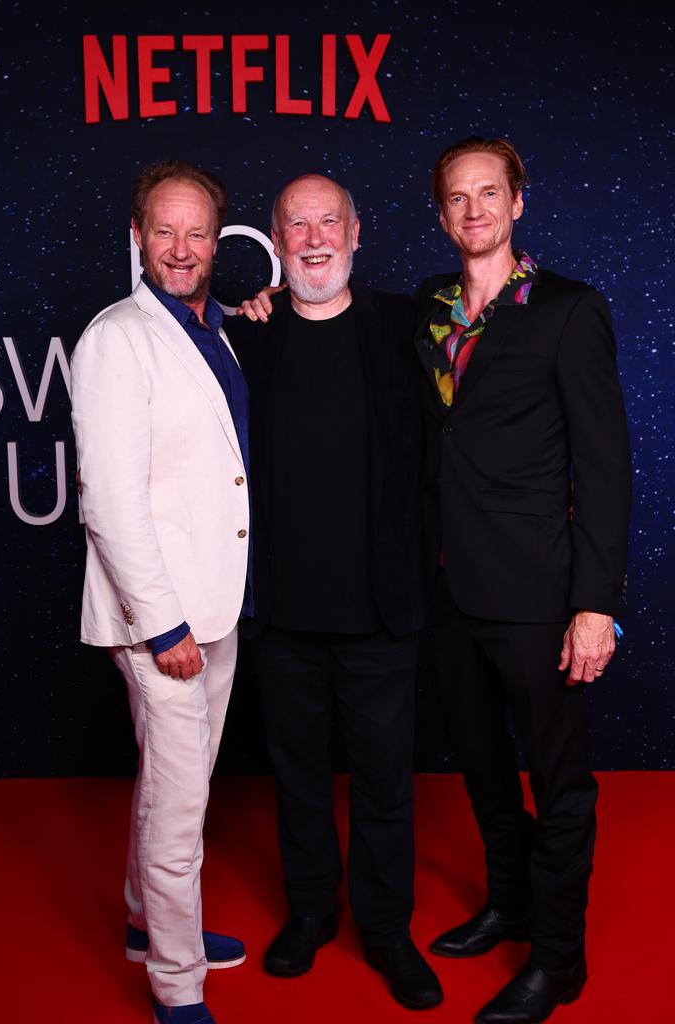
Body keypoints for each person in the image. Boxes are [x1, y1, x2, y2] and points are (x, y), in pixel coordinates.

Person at [414, 137, 631, 1024]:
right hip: (449, 590)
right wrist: (271, 302)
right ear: (441, 215)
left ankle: (559, 957)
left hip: (542, 596)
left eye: (488, 194)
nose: (474, 211)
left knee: (559, 780)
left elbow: (606, 468)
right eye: (457, 199)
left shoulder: (571, 311)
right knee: (481, 762)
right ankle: (508, 900)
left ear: (518, 203)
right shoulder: (425, 308)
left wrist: (596, 606)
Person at [226, 174, 443, 1011]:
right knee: (297, 775)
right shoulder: (252, 336)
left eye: (328, 222)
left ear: (358, 231)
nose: (313, 237)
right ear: (277, 242)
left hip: (382, 609)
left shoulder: (404, 326)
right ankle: (313, 911)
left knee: (388, 782)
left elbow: (443, 454)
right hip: (281, 610)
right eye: (296, 225)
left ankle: (387, 931)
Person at [70, 159, 251, 1024]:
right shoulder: (116, 336)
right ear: (139, 236)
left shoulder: (210, 326)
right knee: (179, 810)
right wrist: (163, 623)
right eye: (165, 231)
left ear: (217, 242)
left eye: (198, 233)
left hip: (218, 603)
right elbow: (106, 499)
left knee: (178, 784)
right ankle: (177, 985)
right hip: (166, 619)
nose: (182, 249)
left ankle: (148, 921)